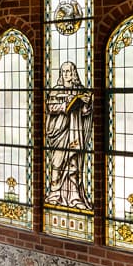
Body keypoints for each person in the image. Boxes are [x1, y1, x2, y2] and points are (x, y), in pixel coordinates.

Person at [45, 60, 93, 210]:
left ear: (74, 73)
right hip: (59, 131)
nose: (66, 74)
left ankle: (74, 196)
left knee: (74, 164)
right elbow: (51, 107)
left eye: (69, 71)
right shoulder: (55, 90)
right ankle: (54, 194)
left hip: (75, 131)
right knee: (57, 162)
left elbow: (86, 113)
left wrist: (85, 103)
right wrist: (66, 105)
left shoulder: (80, 90)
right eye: (63, 71)